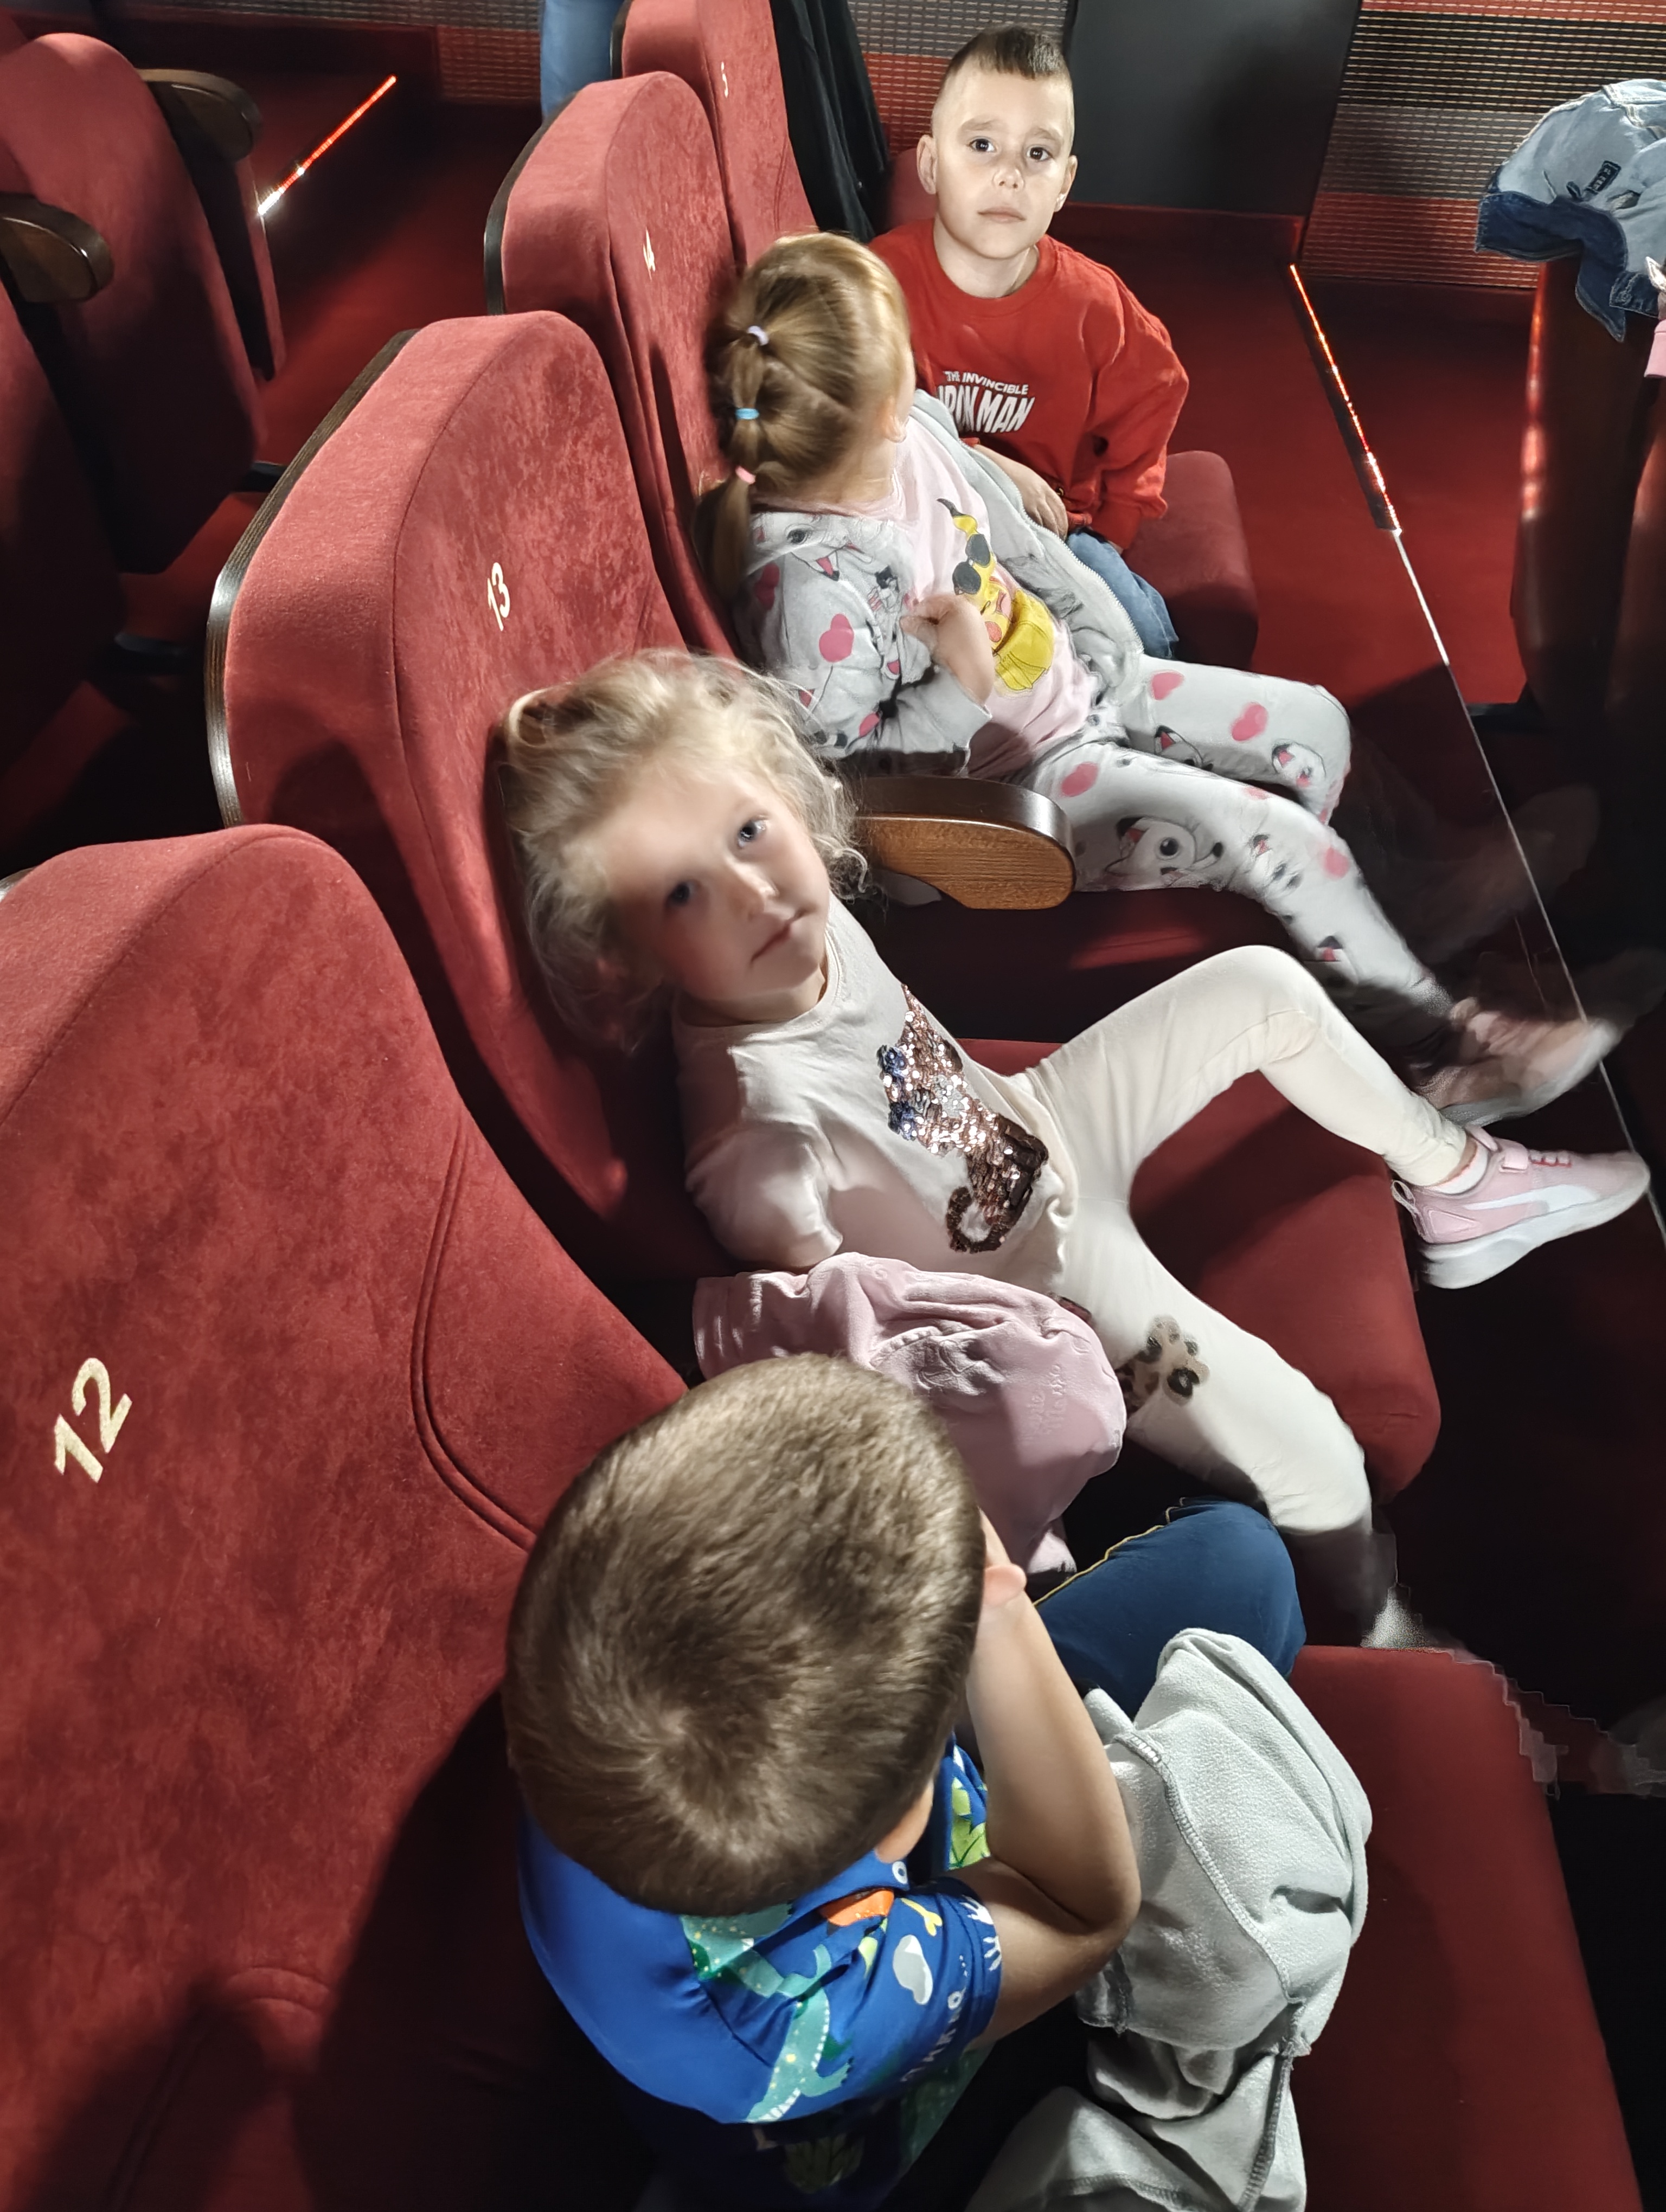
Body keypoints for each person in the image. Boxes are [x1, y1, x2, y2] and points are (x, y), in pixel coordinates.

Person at [500, 651, 1651, 1622]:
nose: (751, 892)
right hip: (1040, 1283)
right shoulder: (759, 1138)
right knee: (1314, 1452)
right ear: (631, 954)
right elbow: (865, 1340)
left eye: (751, 829)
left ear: (788, 800)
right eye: (682, 895)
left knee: (1263, 985)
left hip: (1036, 1123)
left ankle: (1461, 1181)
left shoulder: (807, 916)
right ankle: (1378, 1633)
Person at [694, 231, 1617, 1124]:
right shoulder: (811, 592)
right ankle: (1441, 1049)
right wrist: (961, 682)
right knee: (1279, 840)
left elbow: (1017, 545)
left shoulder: (915, 435)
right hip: (1023, 789)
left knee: (1318, 725)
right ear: (879, 407)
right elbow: (850, 790)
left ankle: (1419, 905)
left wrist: (1105, 635)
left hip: (1082, 685)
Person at [503, 1352, 1306, 2212]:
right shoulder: (788, 2017)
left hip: (832, 1803)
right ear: (902, 1824)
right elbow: (1084, 1912)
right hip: (888, 2102)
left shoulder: (579, 1685)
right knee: (1251, 1595)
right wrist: (995, 1600)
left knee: (1242, 1564)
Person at [872, 23, 1184, 657]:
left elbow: (1156, 397)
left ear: (1064, 183)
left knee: (1139, 637)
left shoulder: (1097, 306)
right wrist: (987, 463)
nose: (1010, 174)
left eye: (1038, 154)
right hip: (920, 516)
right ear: (930, 164)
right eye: (982, 144)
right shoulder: (878, 282)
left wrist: (1115, 528)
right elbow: (864, 420)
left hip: (1053, 532)